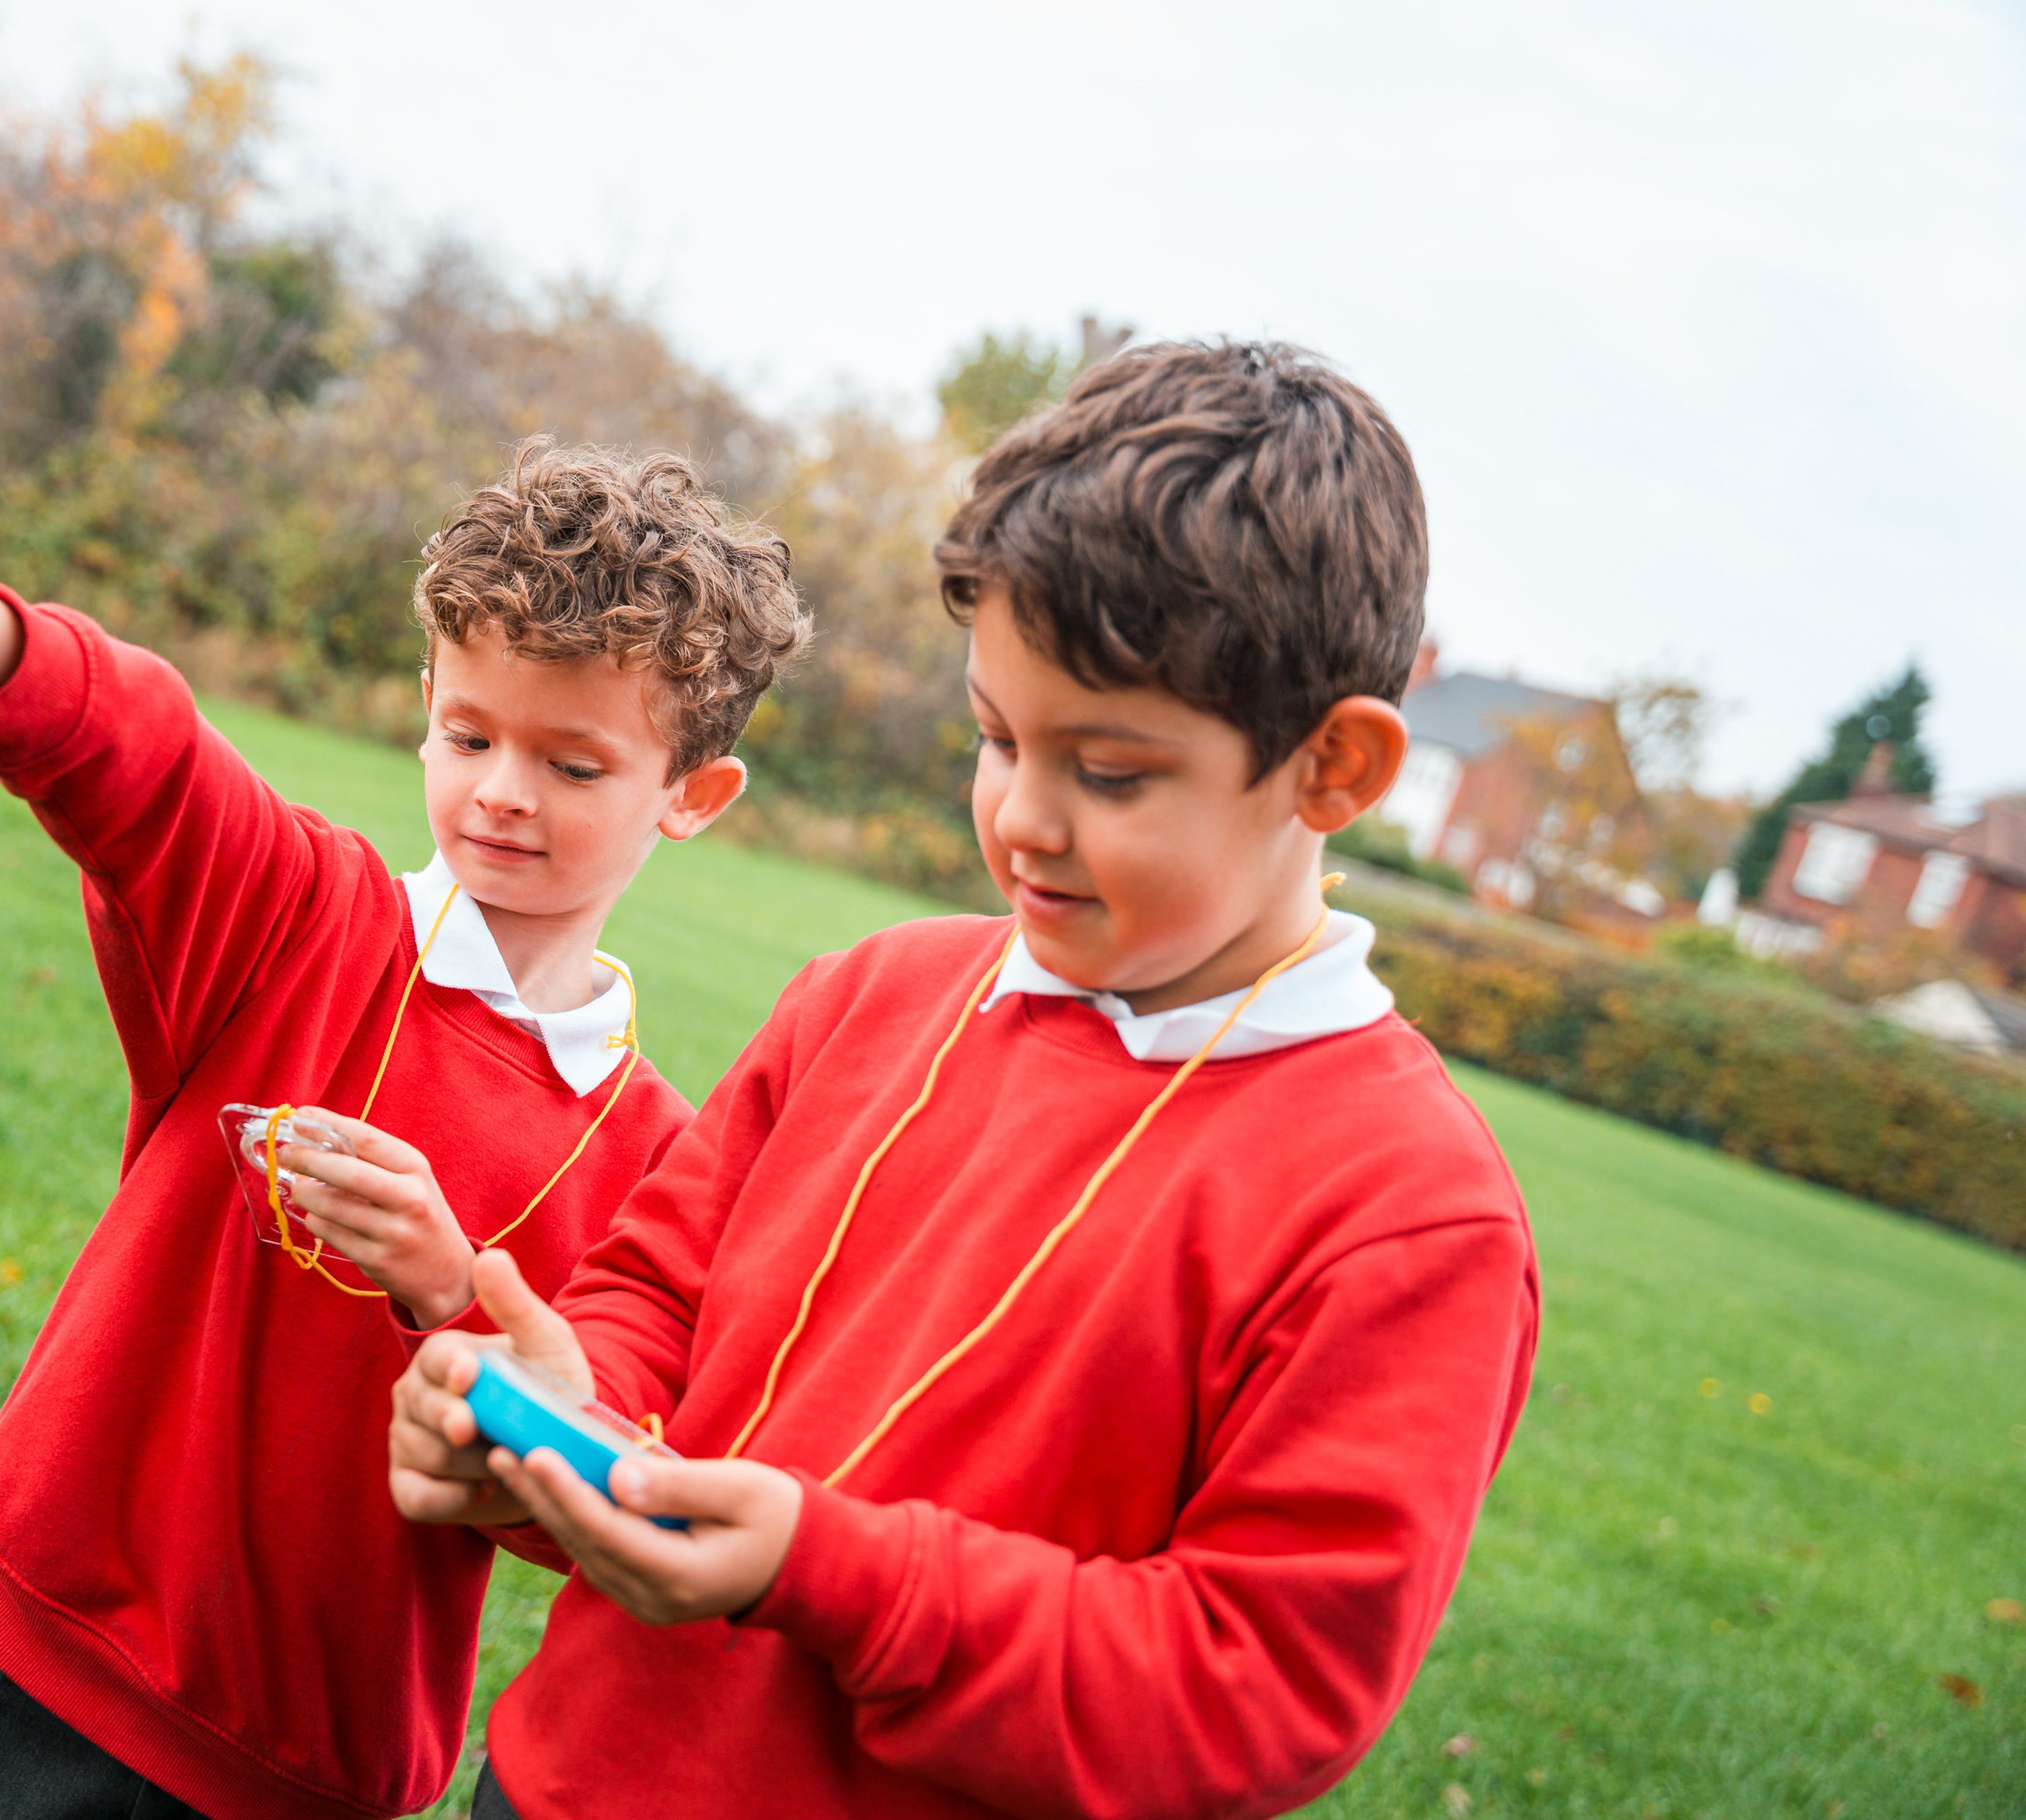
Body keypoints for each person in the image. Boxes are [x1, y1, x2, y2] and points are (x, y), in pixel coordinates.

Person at [390, 341, 1542, 1820]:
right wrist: (553, 1411)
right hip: (556, 1784)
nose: (1022, 822)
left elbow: (1255, 1688)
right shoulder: (870, 995)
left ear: (1336, 768)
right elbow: (658, 1299)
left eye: (1110, 774)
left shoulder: (1409, 1216)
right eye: (998, 739)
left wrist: (836, 1576)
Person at [0, 436, 807, 1819]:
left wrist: (446, 1295)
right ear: (425, 714)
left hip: (306, 1770)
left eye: (573, 765)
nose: (502, 791)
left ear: (691, 795)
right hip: (46, 1673)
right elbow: (138, 756)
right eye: (469, 736)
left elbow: (598, 1505)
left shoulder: (660, 1158)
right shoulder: (298, 921)